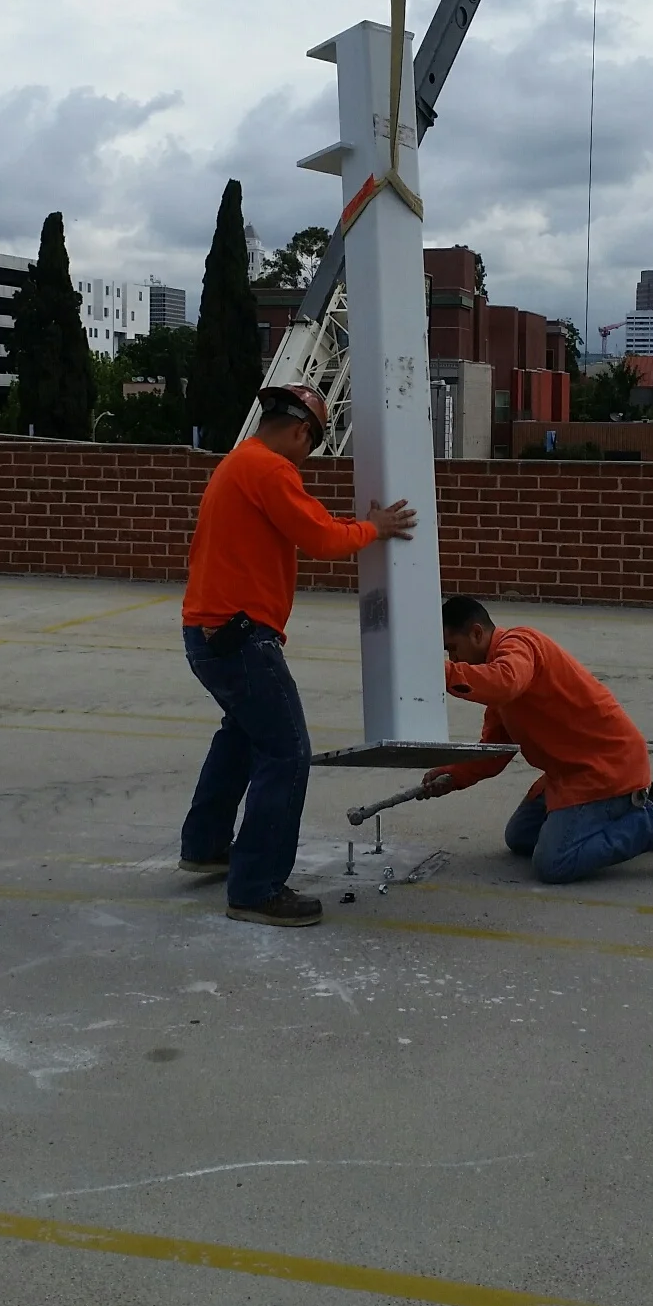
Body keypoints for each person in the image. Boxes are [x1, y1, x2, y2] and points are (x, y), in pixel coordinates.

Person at [181, 383, 416, 926]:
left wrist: (358, 526)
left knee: (243, 736)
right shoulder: (270, 470)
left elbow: (310, 523)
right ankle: (256, 888)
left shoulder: (240, 464)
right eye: (313, 442)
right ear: (301, 431)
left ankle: (206, 845)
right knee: (286, 751)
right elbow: (321, 538)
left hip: (209, 633)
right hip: (240, 637)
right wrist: (375, 529)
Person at [421, 596, 653, 884]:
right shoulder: (500, 696)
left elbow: (506, 680)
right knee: (520, 837)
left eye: (452, 648)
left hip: (607, 768)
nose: (453, 659)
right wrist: (451, 776)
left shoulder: (520, 645)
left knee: (554, 862)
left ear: (477, 633)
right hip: (572, 773)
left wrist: (437, 674)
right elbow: (494, 754)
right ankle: (627, 808)